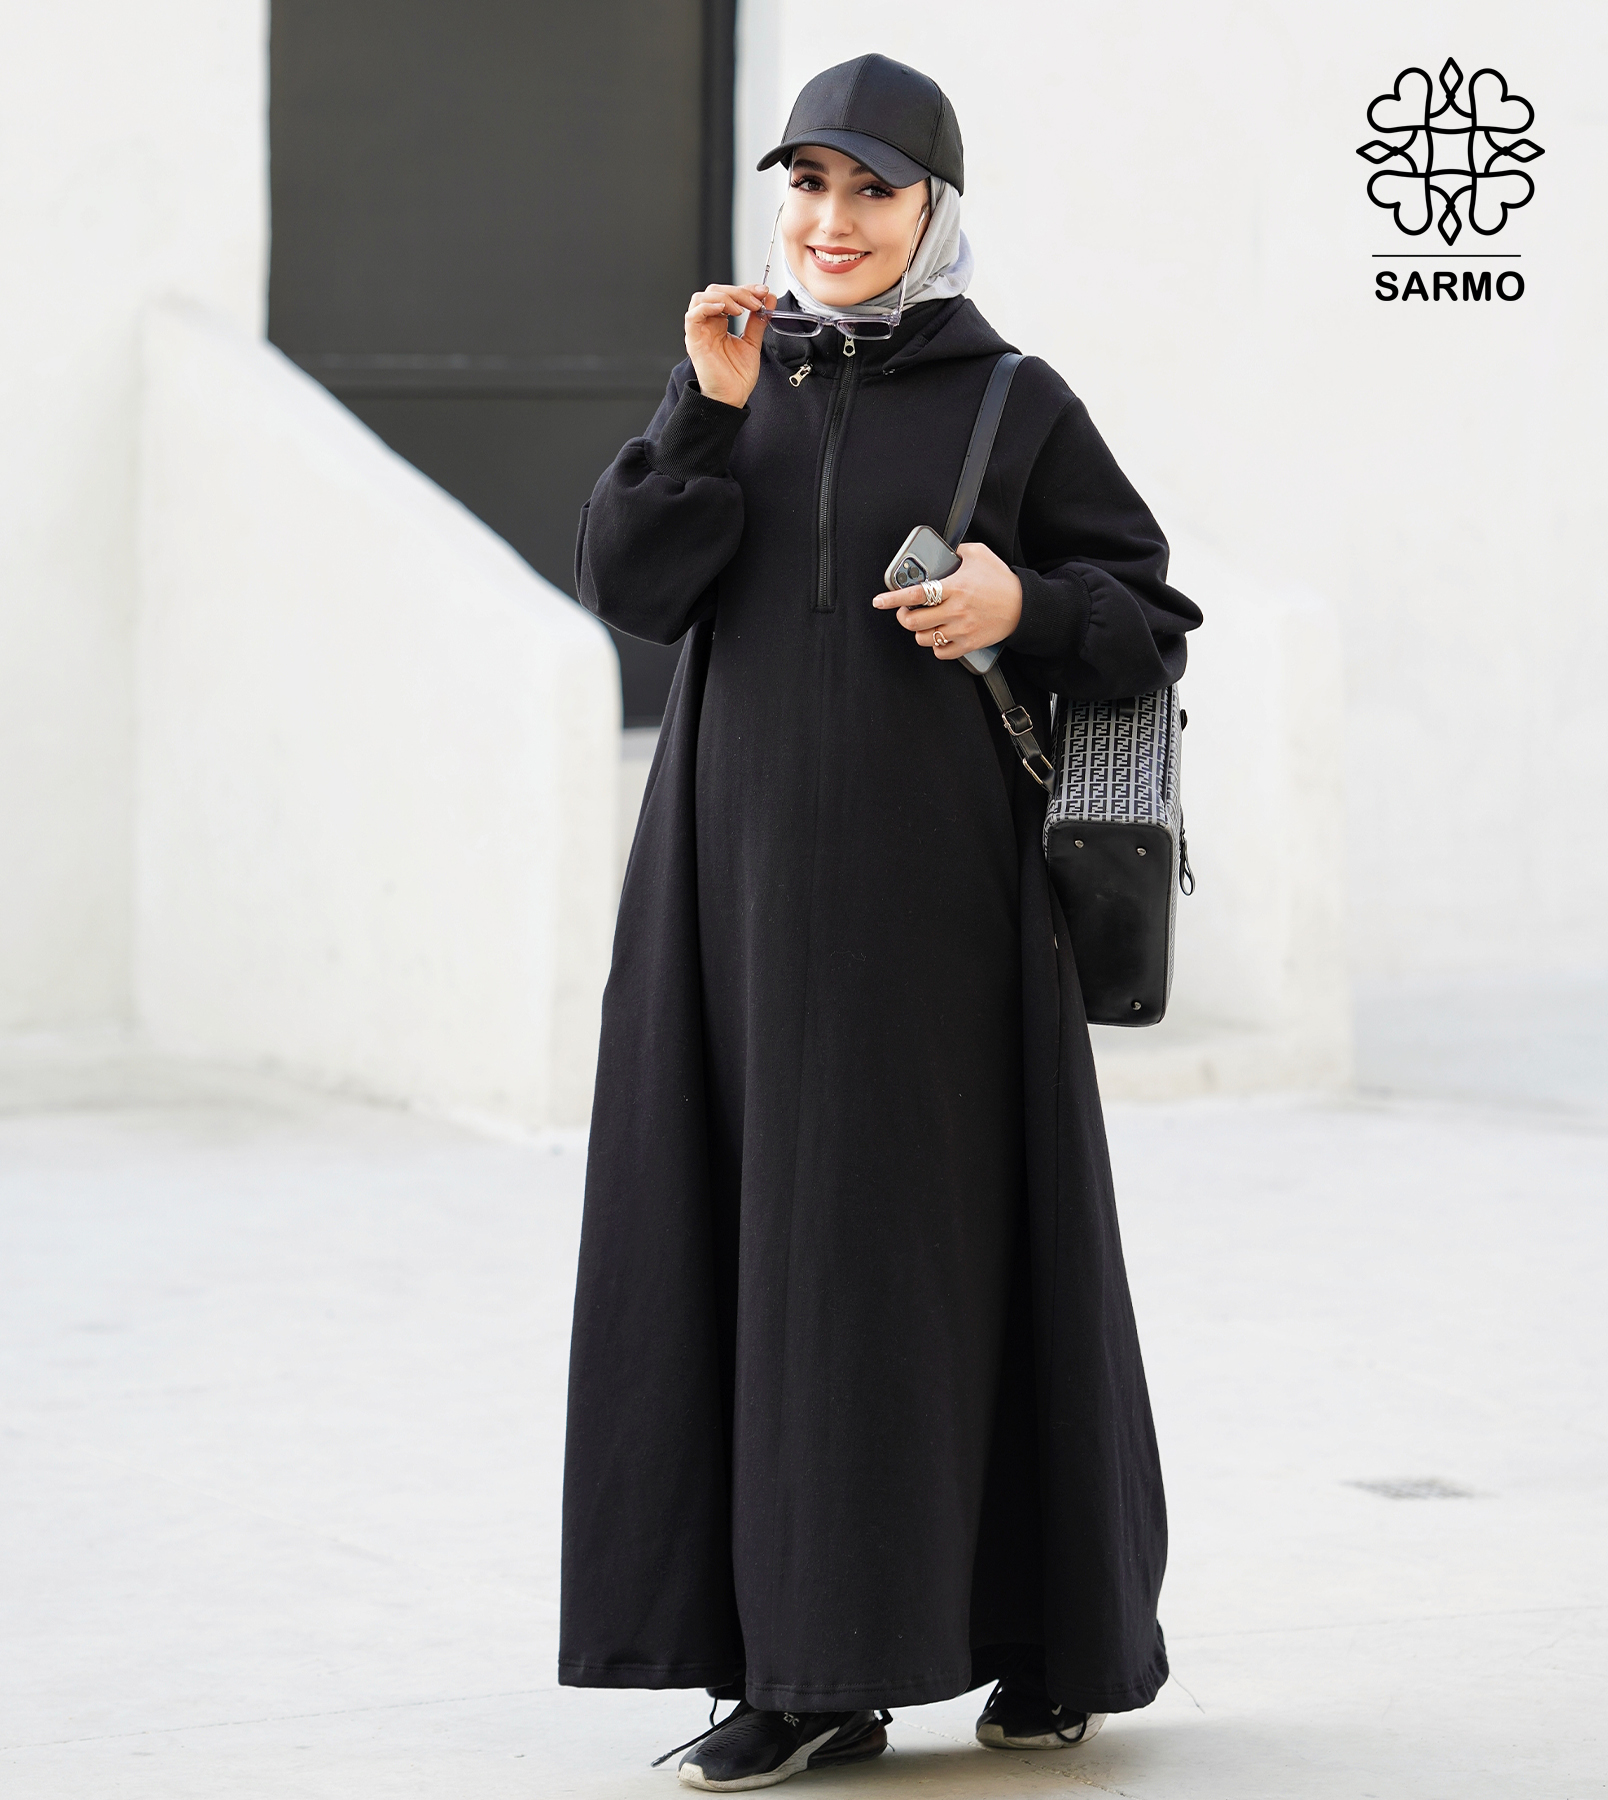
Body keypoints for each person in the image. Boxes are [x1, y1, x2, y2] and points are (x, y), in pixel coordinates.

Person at [559, 53, 1201, 1792]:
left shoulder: (1014, 403)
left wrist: (1021, 602)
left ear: (936, 210)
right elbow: (630, 584)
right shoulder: (736, 378)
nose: (833, 223)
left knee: (951, 1268)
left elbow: (1148, 615)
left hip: (944, 927)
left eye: (873, 191)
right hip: (733, 915)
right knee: (764, 1272)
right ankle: (806, 1667)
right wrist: (701, 413)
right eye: (809, 187)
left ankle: (1038, 1642)